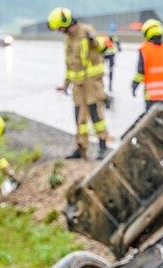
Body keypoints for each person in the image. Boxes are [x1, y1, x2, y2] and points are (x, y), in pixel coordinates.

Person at [48, 7, 112, 160]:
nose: (60, 31)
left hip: (92, 82)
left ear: (65, 23)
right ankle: (81, 148)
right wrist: (66, 83)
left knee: (96, 114)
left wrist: (94, 40)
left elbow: (105, 47)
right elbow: (70, 63)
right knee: (79, 117)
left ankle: (103, 146)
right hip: (78, 85)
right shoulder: (68, 39)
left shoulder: (86, 31)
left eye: (60, 28)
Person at [131, 20, 163, 111]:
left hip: (151, 95)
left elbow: (140, 72)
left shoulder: (145, 49)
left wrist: (134, 85)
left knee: (151, 120)